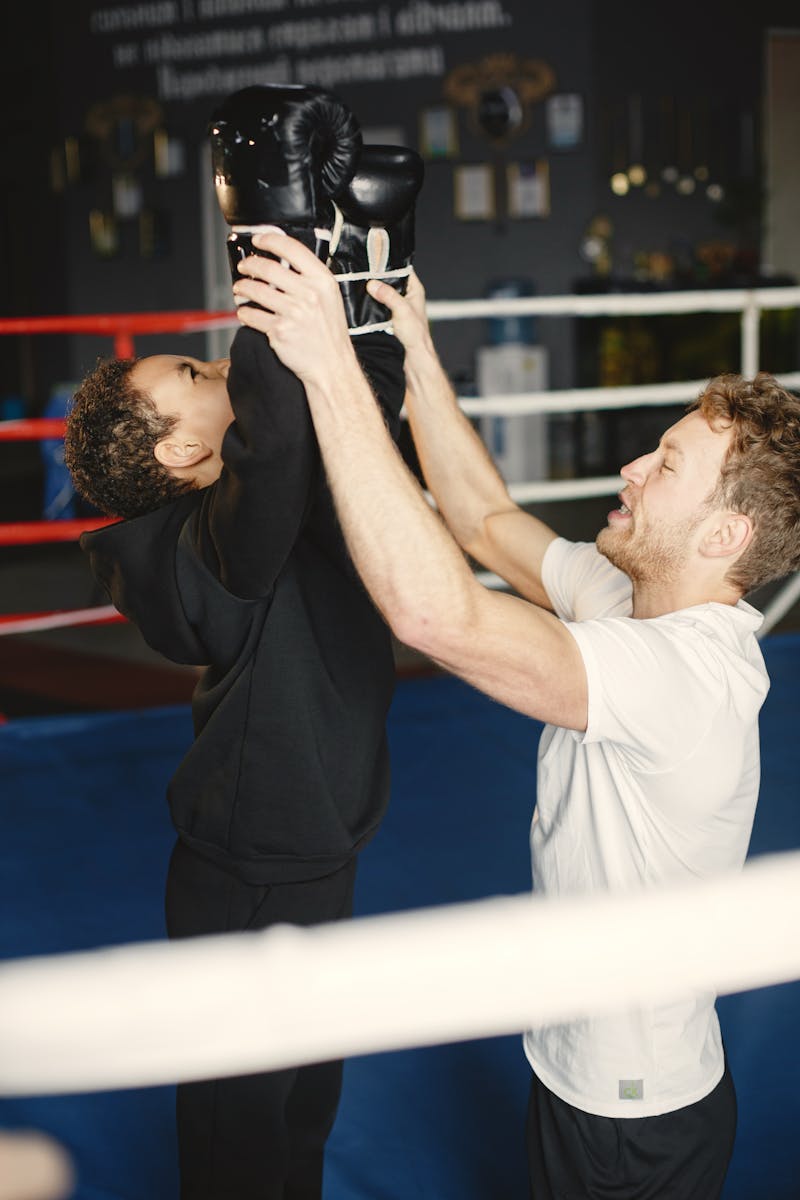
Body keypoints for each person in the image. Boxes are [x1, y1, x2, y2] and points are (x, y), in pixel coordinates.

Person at [229, 230, 800, 1200]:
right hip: (577, 1059)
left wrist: (329, 369)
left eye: (664, 466)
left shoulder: (685, 675)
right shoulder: (633, 599)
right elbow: (482, 517)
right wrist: (410, 346)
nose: (629, 468)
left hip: (630, 1109)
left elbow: (433, 614)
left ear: (722, 534)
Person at [63, 292, 406, 1200]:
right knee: (238, 1124)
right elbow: (280, 434)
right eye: (199, 375)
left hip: (321, 840)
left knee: (303, 1103)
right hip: (253, 862)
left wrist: (359, 285)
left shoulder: (264, 511)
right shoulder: (211, 552)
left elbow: (352, 426)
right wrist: (267, 262)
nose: (224, 370)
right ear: (183, 452)